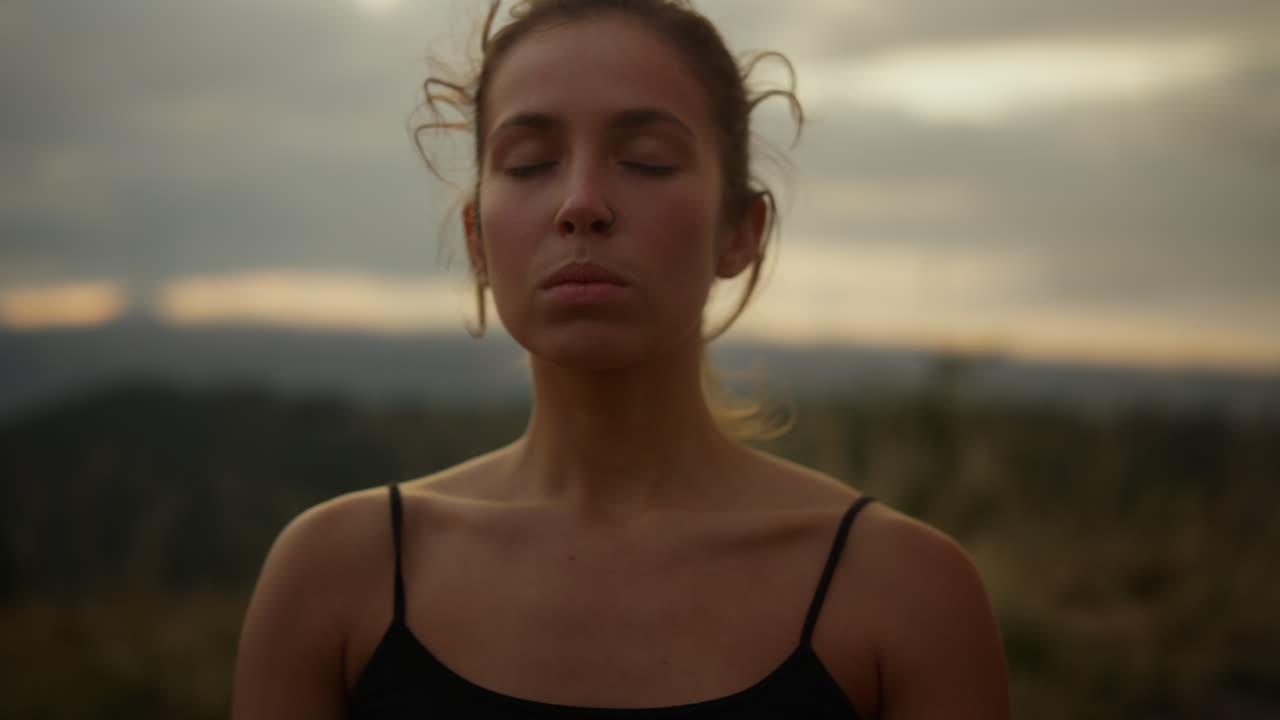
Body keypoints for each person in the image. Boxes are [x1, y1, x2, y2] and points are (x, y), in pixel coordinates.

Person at [231, 1, 1009, 717]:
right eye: (531, 162)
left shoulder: (904, 595)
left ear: (741, 230)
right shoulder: (336, 577)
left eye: (646, 160)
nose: (581, 203)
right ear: (476, 239)